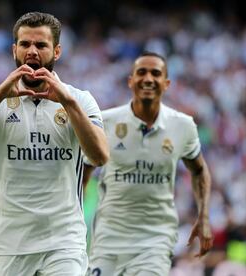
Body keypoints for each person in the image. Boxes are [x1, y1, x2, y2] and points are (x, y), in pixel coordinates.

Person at [0, 12, 109, 276]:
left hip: (63, 243)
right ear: (14, 49)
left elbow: (100, 155)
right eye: (25, 44)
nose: (32, 51)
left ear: (56, 51)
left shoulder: (80, 100)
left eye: (41, 45)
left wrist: (68, 103)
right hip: (8, 245)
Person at [83, 52, 213, 276]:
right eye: (141, 72)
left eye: (156, 73)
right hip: (108, 236)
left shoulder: (183, 126)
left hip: (155, 239)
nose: (149, 79)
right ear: (130, 80)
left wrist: (204, 216)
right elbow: (82, 174)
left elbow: (199, 170)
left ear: (167, 83)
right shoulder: (106, 121)